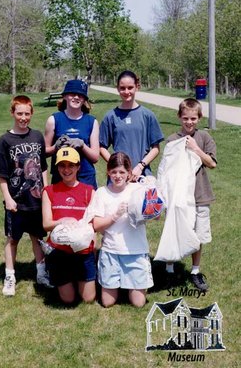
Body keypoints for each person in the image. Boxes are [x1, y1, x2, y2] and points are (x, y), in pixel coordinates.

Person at [0, 95, 51, 297]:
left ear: (32, 113)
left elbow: (43, 167)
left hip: (36, 200)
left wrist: (46, 191)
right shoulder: (5, 140)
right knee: (13, 240)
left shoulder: (37, 137)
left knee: (38, 238)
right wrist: (8, 198)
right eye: (19, 113)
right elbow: (1, 174)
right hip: (16, 203)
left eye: (27, 113)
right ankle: (10, 276)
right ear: (12, 113)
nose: (23, 117)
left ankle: (42, 273)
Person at [165, 98, 217, 291]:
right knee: (175, 230)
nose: (189, 122)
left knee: (198, 236)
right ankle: (169, 270)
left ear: (199, 118)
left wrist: (195, 148)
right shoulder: (172, 139)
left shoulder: (204, 138)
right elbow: (168, 169)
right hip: (179, 196)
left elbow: (211, 163)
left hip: (200, 195)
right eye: (185, 118)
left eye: (193, 118)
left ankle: (195, 271)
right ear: (179, 117)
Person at [91, 152, 154, 308]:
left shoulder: (138, 189)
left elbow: (156, 215)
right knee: (107, 302)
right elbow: (96, 226)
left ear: (129, 173)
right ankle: (118, 284)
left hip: (136, 251)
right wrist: (115, 215)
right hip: (111, 252)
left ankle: (131, 284)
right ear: (108, 172)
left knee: (138, 303)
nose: (117, 176)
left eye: (122, 172)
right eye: (113, 172)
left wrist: (150, 206)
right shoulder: (101, 193)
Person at [42, 147, 96, 304]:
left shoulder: (89, 191)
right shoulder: (49, 191)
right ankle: (57, 272)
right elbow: (46, 224)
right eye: (62, 165)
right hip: (60, 252)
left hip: (82, 252)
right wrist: (63, 221)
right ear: (57, 167)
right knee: (68, 299)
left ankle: (79, 276)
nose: (66, 170)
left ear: (78, 167)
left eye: (71, 165)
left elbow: (92, 226)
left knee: (88, 298)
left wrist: (93, 252)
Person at [99, 70, 164, 181]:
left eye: (130, 87)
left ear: (137, 87)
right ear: (117, 89)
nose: (126, 91)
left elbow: (156, 148)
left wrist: (140, 166)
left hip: (142, 174)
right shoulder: (111, 116)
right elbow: (102, 147)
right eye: (122, 88)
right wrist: (118, 167)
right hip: (118, 178)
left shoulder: (147, 115)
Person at [44, 79, 99, 188]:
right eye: (72, 94)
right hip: (61, 176)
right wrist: (56, 147)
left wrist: (82, 145)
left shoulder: (91, 121)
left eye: (80, 95)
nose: (76, 97)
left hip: (85, 176)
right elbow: (44, 152)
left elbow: (95, 157)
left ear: (84, 100)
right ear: (64, 96)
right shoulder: (54, 119)